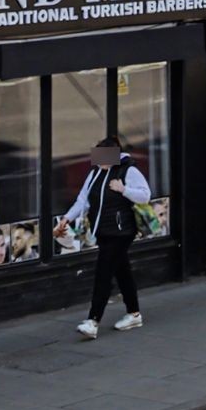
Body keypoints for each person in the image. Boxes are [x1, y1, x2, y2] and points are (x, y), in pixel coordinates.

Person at [57, 136, 149, 340]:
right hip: (103, 231)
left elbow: (145, 195)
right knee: (122, 271)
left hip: (122, 231)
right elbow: (83, 200)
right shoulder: (95, 173)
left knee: (103, 273)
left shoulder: (128, 170)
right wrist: (66, 218)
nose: (100, 161)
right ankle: (134, 314)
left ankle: (93, 321)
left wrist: (123, 189)